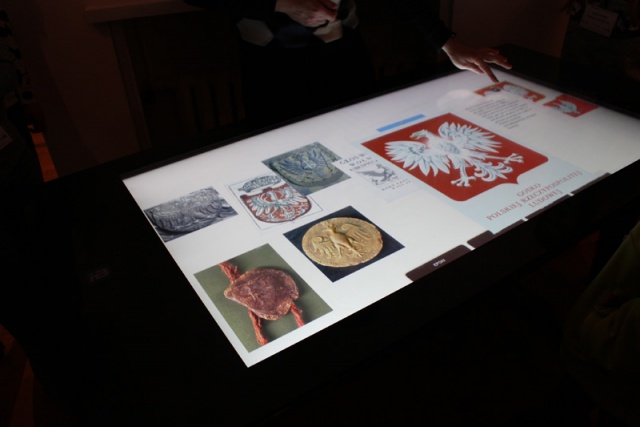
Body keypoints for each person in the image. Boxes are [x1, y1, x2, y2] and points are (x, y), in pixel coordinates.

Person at [184, 0, 511, 127]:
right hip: (271, 71)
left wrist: (447, 42)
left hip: (347, 62)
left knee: (363, 141)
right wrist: (280, 3)